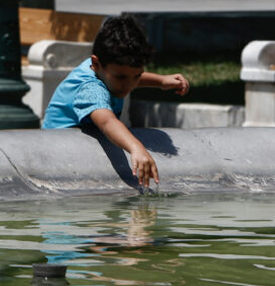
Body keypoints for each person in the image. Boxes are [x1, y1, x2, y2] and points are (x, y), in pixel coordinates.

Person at [42, 14, 189, 187]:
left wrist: (161, 81)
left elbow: (128, 76)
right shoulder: (90, 88)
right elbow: (107, 122)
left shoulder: (104, 70)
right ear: (96, 63)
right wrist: (136, 147)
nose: (129, 85)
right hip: (55, 152)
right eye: (121, 77)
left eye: (137, 76)